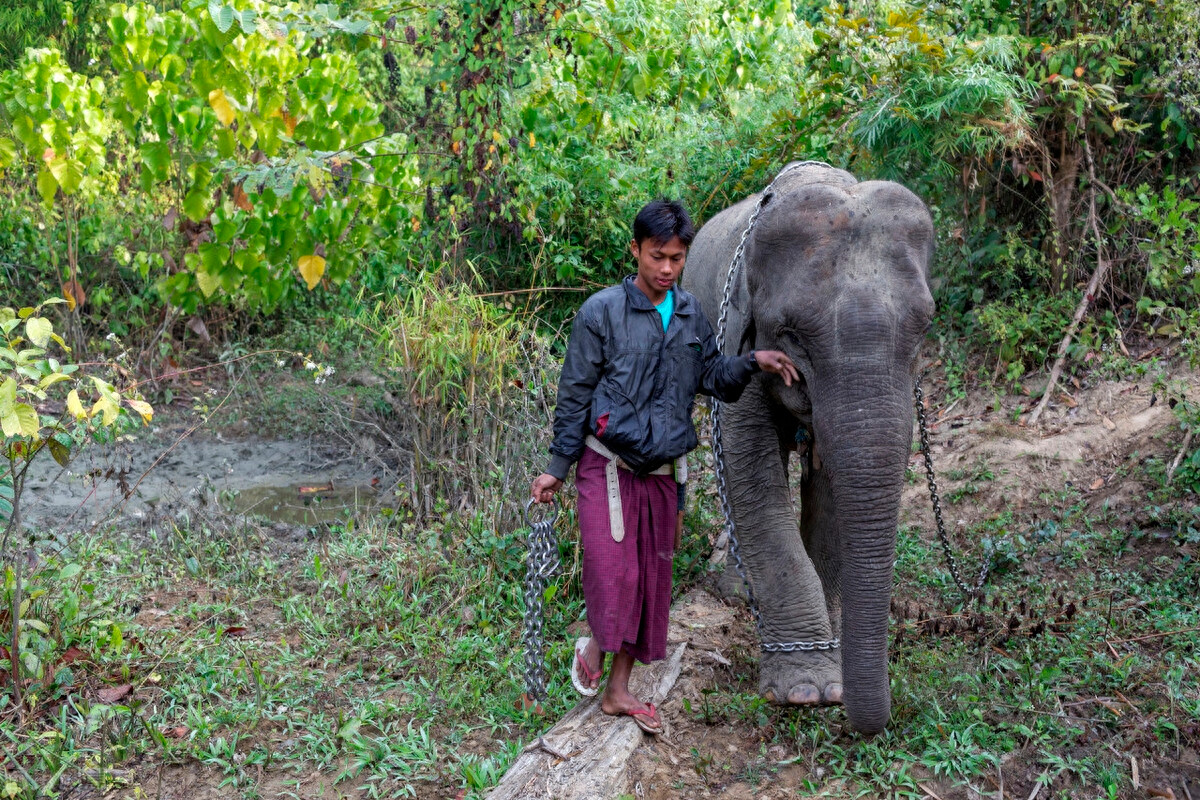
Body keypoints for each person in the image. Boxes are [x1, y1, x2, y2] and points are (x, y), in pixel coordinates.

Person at [529, 198, 798, 734]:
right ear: (635, 250)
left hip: (662, 474)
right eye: (657, 256)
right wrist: (557, 467)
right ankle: (599, 638)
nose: (668, 269)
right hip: (605, 467)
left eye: (676, 257)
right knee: (615, 572)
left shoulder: (692, 314)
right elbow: (574, 394)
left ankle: (617, 691)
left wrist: (751, 362)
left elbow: (713, 377)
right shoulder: (600, 313)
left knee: (651, 581)